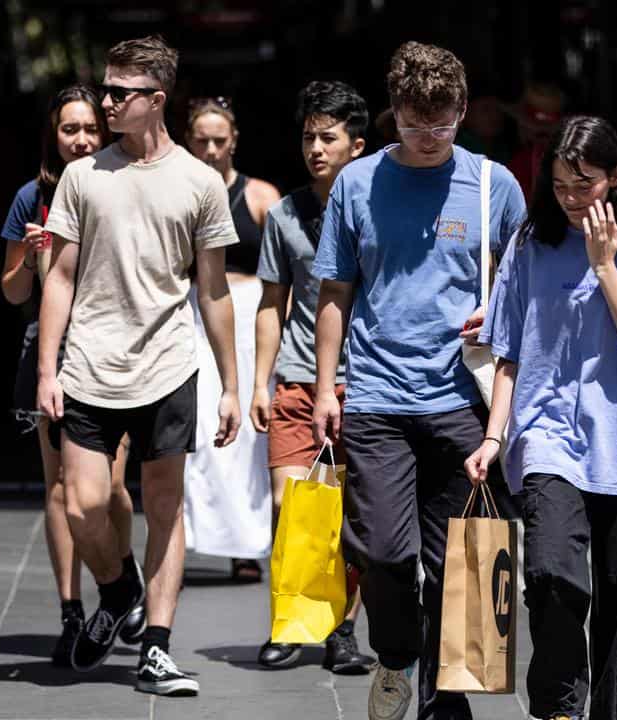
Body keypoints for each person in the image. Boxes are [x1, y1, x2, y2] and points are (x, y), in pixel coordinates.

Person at [312, 41, 526, 720]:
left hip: (463, 397)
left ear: (463, 110)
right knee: (384, 550)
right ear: (392, 112)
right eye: (413, 124)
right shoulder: (357, 183)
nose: (429, 139)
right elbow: (335, 291)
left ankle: (446, 691)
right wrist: (324, 387)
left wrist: (498, 306)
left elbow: (528, 286)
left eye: (442, 125)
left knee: (460, 560)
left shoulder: (495, 185)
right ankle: (397, 652)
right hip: (376, 393)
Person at [465, 115, 617, 720]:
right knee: (550, 575)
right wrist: (494, 437)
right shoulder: (529, 244)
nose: (570, 198)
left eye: (584, 184)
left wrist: (605, 267)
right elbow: (507, 352)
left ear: (616, 178)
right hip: (546, 437)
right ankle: (559, 708)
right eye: (561, 184)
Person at [37, 35, 240, 697]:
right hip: (90, 367)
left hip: (168, 365)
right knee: (82, 505)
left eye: (121, 92)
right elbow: (61, 276)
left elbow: (212, 290)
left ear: (158, 100)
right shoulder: (83, 175)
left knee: (165, 507)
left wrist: (233, 385)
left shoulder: (199, 182)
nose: (108, 102)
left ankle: (155, 644)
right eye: (107, 88)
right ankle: (118, 586)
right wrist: (47, 369)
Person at [0, 83, 144, 667]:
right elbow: (11, 293)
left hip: (113, 352)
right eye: (69, 129)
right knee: (59, 489)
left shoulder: (122, 184)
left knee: (108, 487)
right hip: (51, 353)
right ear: (52, 136)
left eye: (89, 128)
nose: (81, 138)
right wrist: (33, 259)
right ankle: (71, 611)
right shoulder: (30, 197)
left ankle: (120, 577)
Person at [250, 79, 373, 673]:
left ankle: (340, 630)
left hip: (367, 382)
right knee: (290, 505)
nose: (315, 148)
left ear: (358, 145)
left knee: (350, 518)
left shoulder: (378, 209)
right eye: (308, 138)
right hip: (298, 380)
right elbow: (272, 303)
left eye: (328, 138)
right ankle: (290, 619)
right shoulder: (283, 214)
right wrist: (258, 382)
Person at [182, 96, 280, 582]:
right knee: (199, 427)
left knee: (248, 437)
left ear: (234, 141)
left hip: (250, 312)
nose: (212, 149)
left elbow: (290, 267)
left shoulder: (261, 196)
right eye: (202, 140)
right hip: (195, 313)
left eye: (220, 140)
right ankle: (197, 534)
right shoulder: (177, 191)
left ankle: (248, 543)